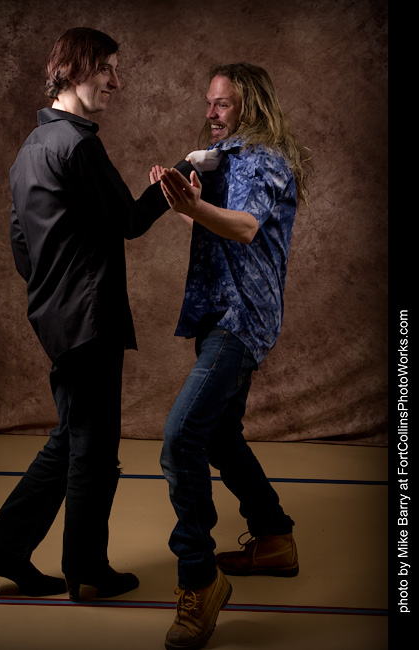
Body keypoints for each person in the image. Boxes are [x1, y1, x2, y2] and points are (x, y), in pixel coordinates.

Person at [0, 27, 194, 602]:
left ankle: (7, 551)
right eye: (107, 69)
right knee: (94, 450)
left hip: (57, 319)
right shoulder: (77, 146)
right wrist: (183, 170)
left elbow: (21, 247)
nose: (116, 83)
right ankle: (86, 568)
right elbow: (128, 221)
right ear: (76, 70)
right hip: (89, 319)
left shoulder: (31, 147)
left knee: (73, 437)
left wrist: (53, 292)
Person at [153, 63, 310, 650]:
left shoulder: (263, 160)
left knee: (181, 437)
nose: (211, 113)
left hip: (240, 321)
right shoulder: (226, 157)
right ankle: (274, 538)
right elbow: (217, 215)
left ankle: (200, 581)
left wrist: (193, 208)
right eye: (210, 102)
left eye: (222, 104)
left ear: (251, 106)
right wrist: (185, 194)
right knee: (219, 435)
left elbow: (244, 228)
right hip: (218, 312)